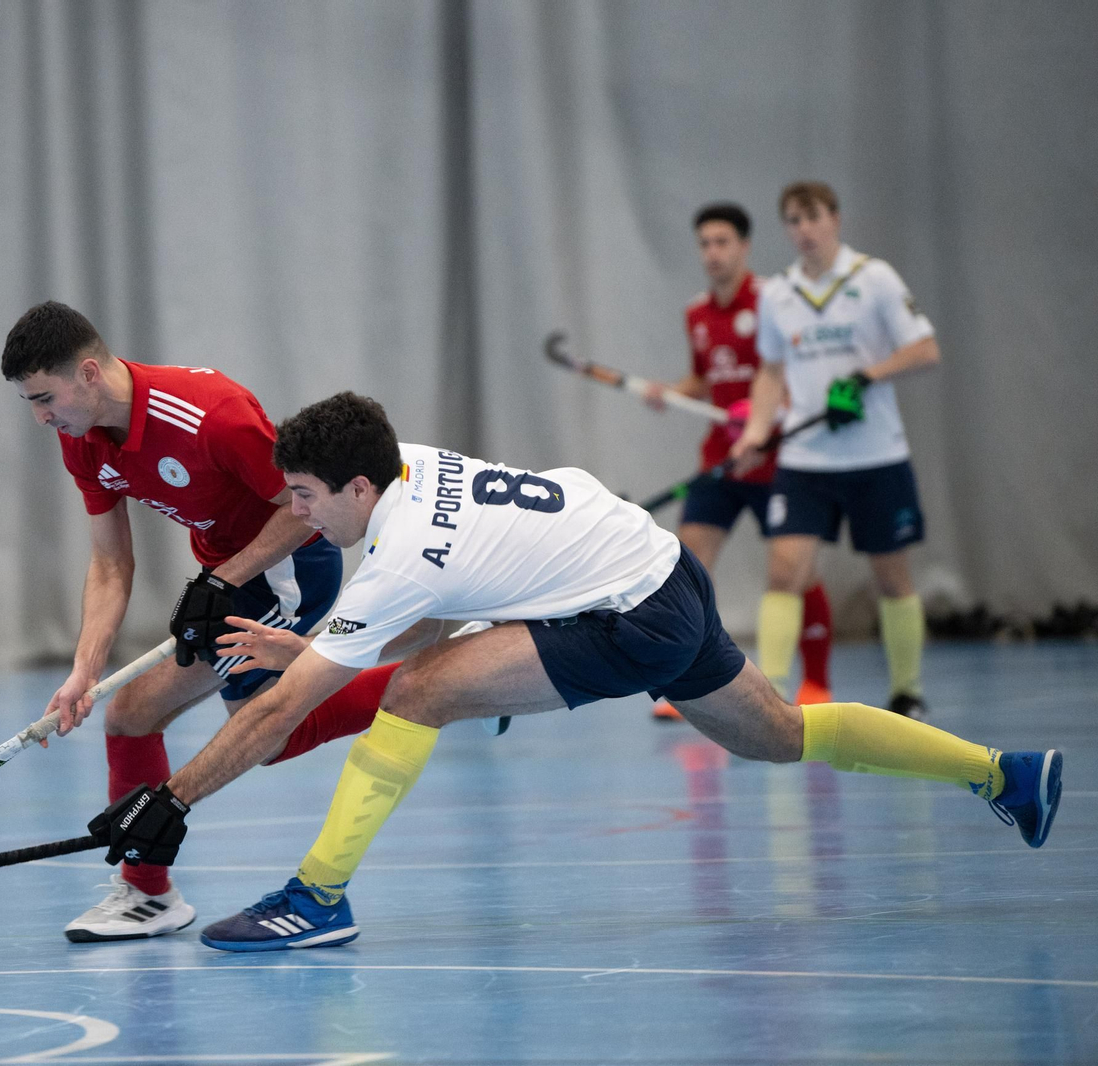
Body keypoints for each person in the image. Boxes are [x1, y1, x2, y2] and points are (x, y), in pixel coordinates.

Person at [84, 391, 1062, 952]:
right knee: (782, 736)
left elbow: (281, 712)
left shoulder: (395, 552)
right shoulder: (406, 466)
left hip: (621, 617)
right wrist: (300, 627)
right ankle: (1000, 772)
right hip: (656, 569)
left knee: (424, 694)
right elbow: (453, 595)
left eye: (303, 499)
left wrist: (171, 797)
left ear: (357, 487)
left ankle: (318, 896)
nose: (295, 515)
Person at [1, 302, 423, 943]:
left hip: (288, 567)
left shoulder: (211, 414)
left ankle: (428, 677)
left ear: (87, 373)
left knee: (267, 736)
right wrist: (84, 670)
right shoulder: (79, 437)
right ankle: (148, 895)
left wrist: (225, 578)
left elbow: (301, 505)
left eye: (43, 398)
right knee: (129, 712)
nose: (40, 416)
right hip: (224, 580)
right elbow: (112, 563)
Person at [730, 181, 938, 717]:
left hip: (877, 457)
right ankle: (770, 696)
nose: (803, 230)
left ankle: (907, 690)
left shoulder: (874, 279)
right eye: (792, 221)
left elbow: (924, 348)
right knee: (784, 571)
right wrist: (756, 432)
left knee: (891, 577)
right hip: (807, 461)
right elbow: (772, 370)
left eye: (812, 217)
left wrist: (867, 376)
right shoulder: (777, 295)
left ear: (835, 219)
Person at [641, 202, 833, 718]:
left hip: (777, 462)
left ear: (745, 246)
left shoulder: (776, 301)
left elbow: (798, 375)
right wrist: (671, 392)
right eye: (705, 243)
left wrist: (766, 419)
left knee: (795, 572)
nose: (713, 253)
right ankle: (689, 684)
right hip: (721, 461)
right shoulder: (696, 312)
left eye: (723, 242)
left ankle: (815, 680)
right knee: (685, 567)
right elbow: (704, 378)